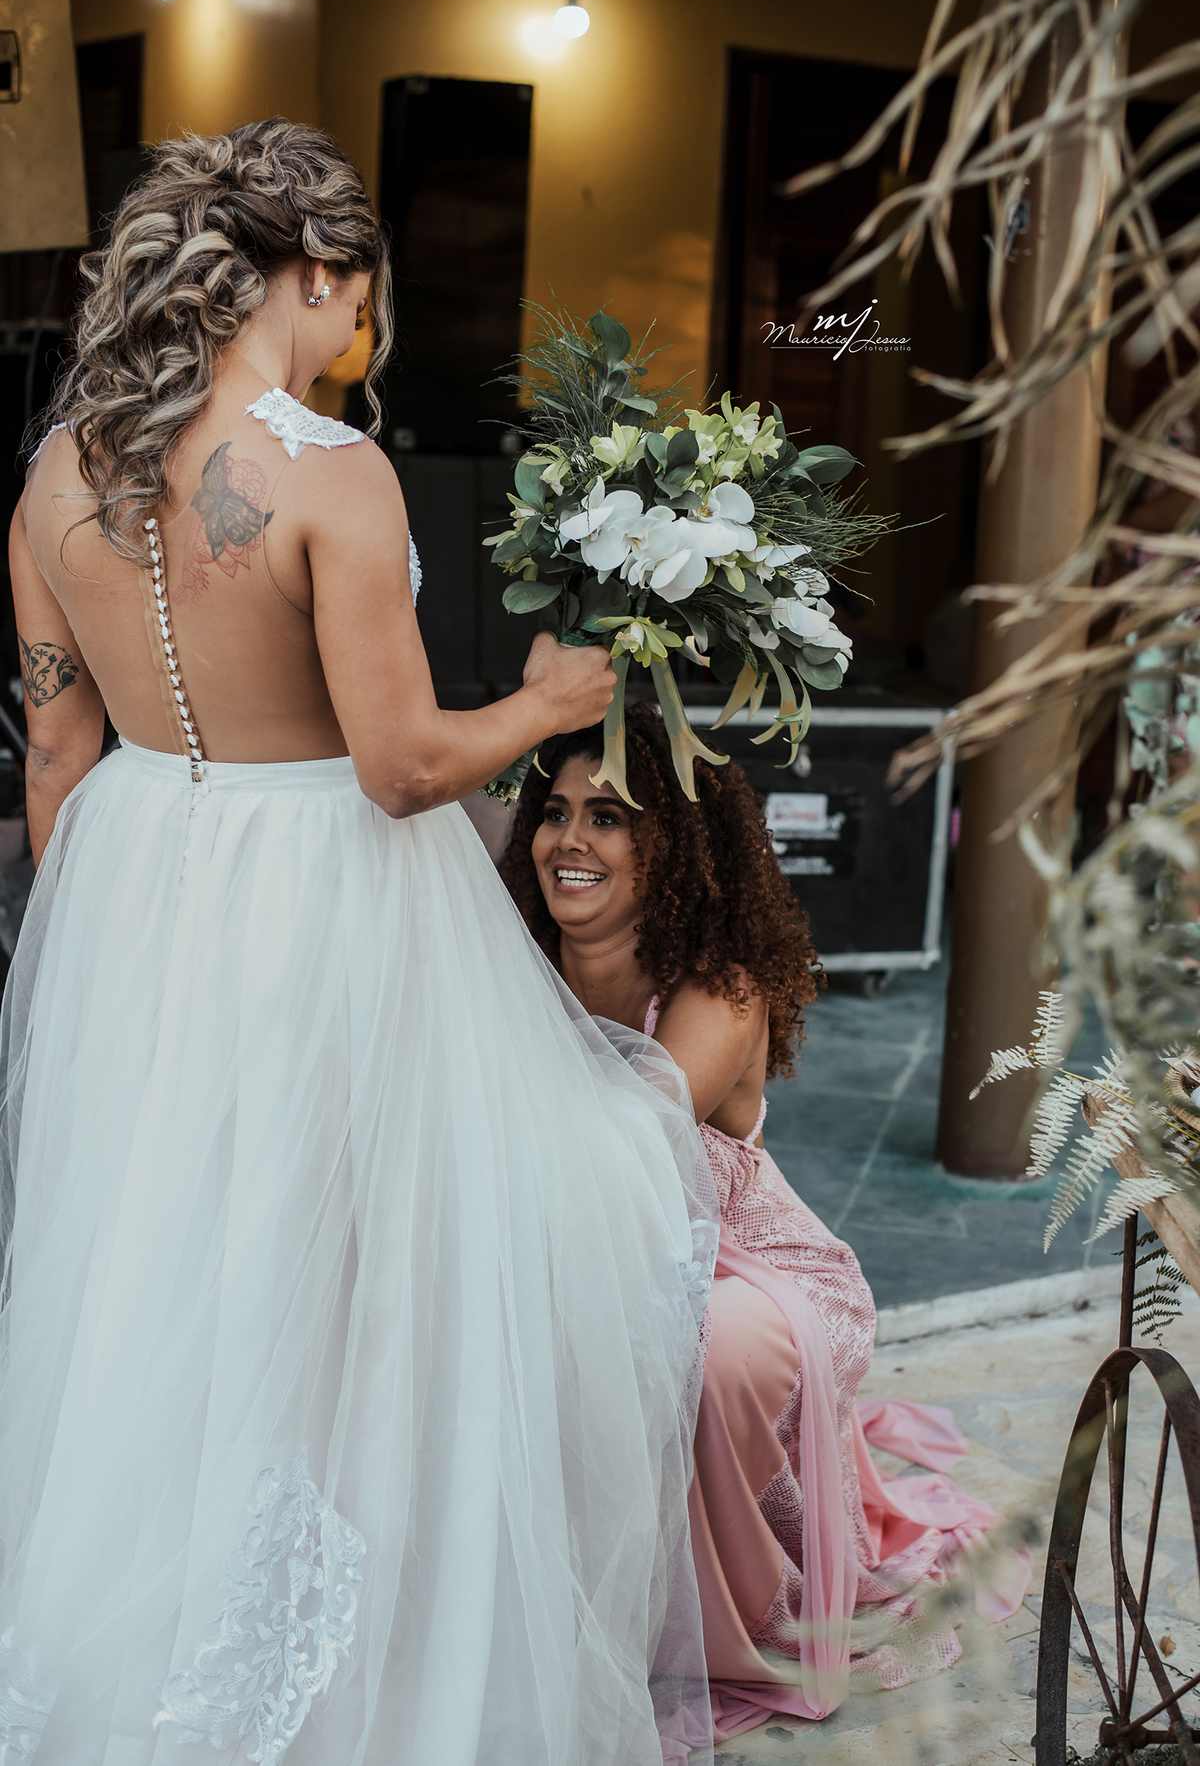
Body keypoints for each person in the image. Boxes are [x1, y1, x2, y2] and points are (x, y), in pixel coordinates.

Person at [0, 123, 718, 1765]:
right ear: (315, 272)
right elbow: (398, 766)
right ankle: (348, 1684)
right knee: (360, 1273)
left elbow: (54, 753)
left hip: (134, 877)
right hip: (326, 893)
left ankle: (147, 1657)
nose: (361, 334)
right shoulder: (329, 470)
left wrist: (113, 956)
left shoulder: (54, 477)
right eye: (359, 299)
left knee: (167, 1272)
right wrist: (547, 699)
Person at [500, 704, 1031, 1743]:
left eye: (608, 817)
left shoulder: (720, 986)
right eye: (554, 813)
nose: (569, 839)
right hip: (575, 1240)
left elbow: (619, 1149)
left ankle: (717, 1628)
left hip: (750, 1267)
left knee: (708, 1350)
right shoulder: (512, 966)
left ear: (671, 845)